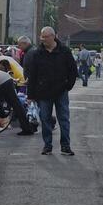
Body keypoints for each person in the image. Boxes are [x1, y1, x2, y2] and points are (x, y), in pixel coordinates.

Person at [27, 26, 78, 155]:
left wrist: (68, 86)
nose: (42, 39)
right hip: (43, 92)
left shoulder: (64, 51)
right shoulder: (37, 53)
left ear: (53, 36)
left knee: (64, 119)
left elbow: (73, 70)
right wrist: (30, 94)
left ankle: (65, 146)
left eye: (45, 37)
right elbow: (32, 75)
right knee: (45, 119)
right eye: (41, 36)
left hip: (61, 91)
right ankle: (47, 145)